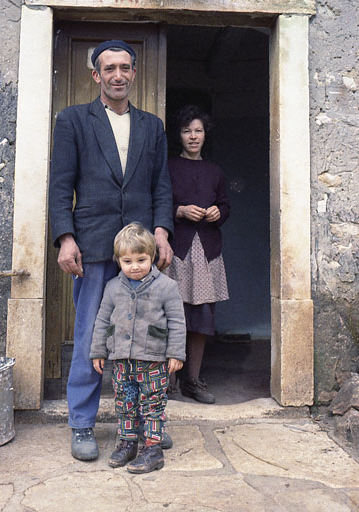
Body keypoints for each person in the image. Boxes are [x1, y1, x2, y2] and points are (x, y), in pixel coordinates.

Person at [49, 40, 174, 461]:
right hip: (93, 245)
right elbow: (60, 185)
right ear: (96, 75)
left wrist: (161, 232)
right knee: (92, 334)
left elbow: (161, 185)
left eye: (124, 67)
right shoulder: (72, 120)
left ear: (134, 73)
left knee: (147, 338)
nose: (117, 75)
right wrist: (66, 238)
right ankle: (82, 424)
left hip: (141, 250)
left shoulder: (152, 126)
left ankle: (146, 424)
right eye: (109, 68)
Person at [90, 223, 186, 474]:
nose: (135, 266)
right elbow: (102, 319)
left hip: (153, 361)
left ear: (152, 257)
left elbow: (177, 321)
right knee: (125, 403)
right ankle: (128, 443)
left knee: (153, 405)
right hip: (122, 362)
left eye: (141, 260)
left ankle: (153, 449)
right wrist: (98, 351)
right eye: (127, 261)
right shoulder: (112, 287)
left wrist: (176, 353)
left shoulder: (167, 287)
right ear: (118, 261)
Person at [166, 105, 230, 404]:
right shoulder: (169, 167)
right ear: (179, 136)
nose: (193, 136)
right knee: (172, 314)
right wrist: (179, 211)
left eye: (198, 131)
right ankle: (169, 382)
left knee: (202, 316)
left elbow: (226, 205)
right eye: (186, 131)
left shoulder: (215, 171)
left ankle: (193, 380)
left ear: (206, 135)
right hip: (176, 249)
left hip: (207, 251)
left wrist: (219, 212)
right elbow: (158, 203)